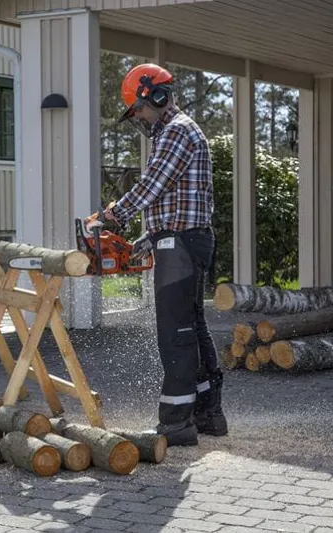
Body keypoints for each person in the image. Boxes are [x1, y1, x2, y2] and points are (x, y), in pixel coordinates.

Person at [86, 63, 227, 446]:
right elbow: (174, 204)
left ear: (157, 96)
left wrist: (112, 215)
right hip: (181, 239)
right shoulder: (176, 132)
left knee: (175, 331)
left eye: (140, 109)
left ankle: (176, 423)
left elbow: (152, 186)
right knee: (192, 326)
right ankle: (208, 414)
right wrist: (146, 239)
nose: (141, 118)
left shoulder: (176, 131)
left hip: (181, 243)